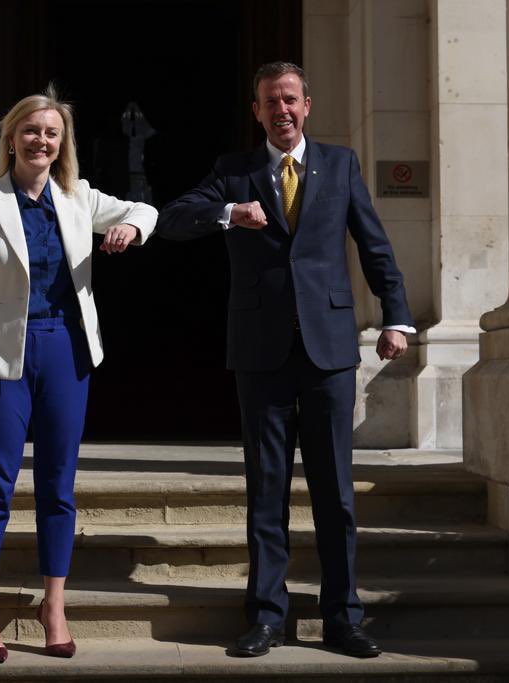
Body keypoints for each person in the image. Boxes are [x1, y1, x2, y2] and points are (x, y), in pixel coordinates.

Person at [156, 62, 414, 659]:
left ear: (307, 105)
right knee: (266, 490)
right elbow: (171, 220)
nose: (283, 110)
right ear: (257, 111)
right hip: (261, 353)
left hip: (328, 349)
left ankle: (343, 618)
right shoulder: (234, 172)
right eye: (271, 102)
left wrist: (396, 316)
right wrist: (228, 213)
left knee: (336, 494)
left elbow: (374, 243)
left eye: (291, 99)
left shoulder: (341, 164)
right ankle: (267, 616)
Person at [0, 86, 157, 663]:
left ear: (61, 144)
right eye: (32, 131)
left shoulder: (78, 198)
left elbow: (146, 209)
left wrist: (130, 231)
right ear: (11, 137)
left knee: (58, 487)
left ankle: (53, 605)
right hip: (1, 356)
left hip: (66, 350)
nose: (41, 140)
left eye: (52, 133)